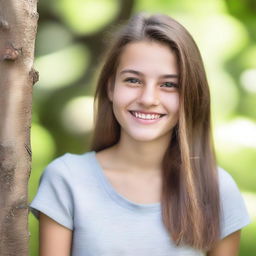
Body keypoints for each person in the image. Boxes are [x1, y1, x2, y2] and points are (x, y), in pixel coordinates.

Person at [30, 13, 250, 256]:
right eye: (133, 80)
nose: (147, 99)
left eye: (168, 84)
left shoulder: (217, 190)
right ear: (111, 87)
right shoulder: (67, 180)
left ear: (189, 95)